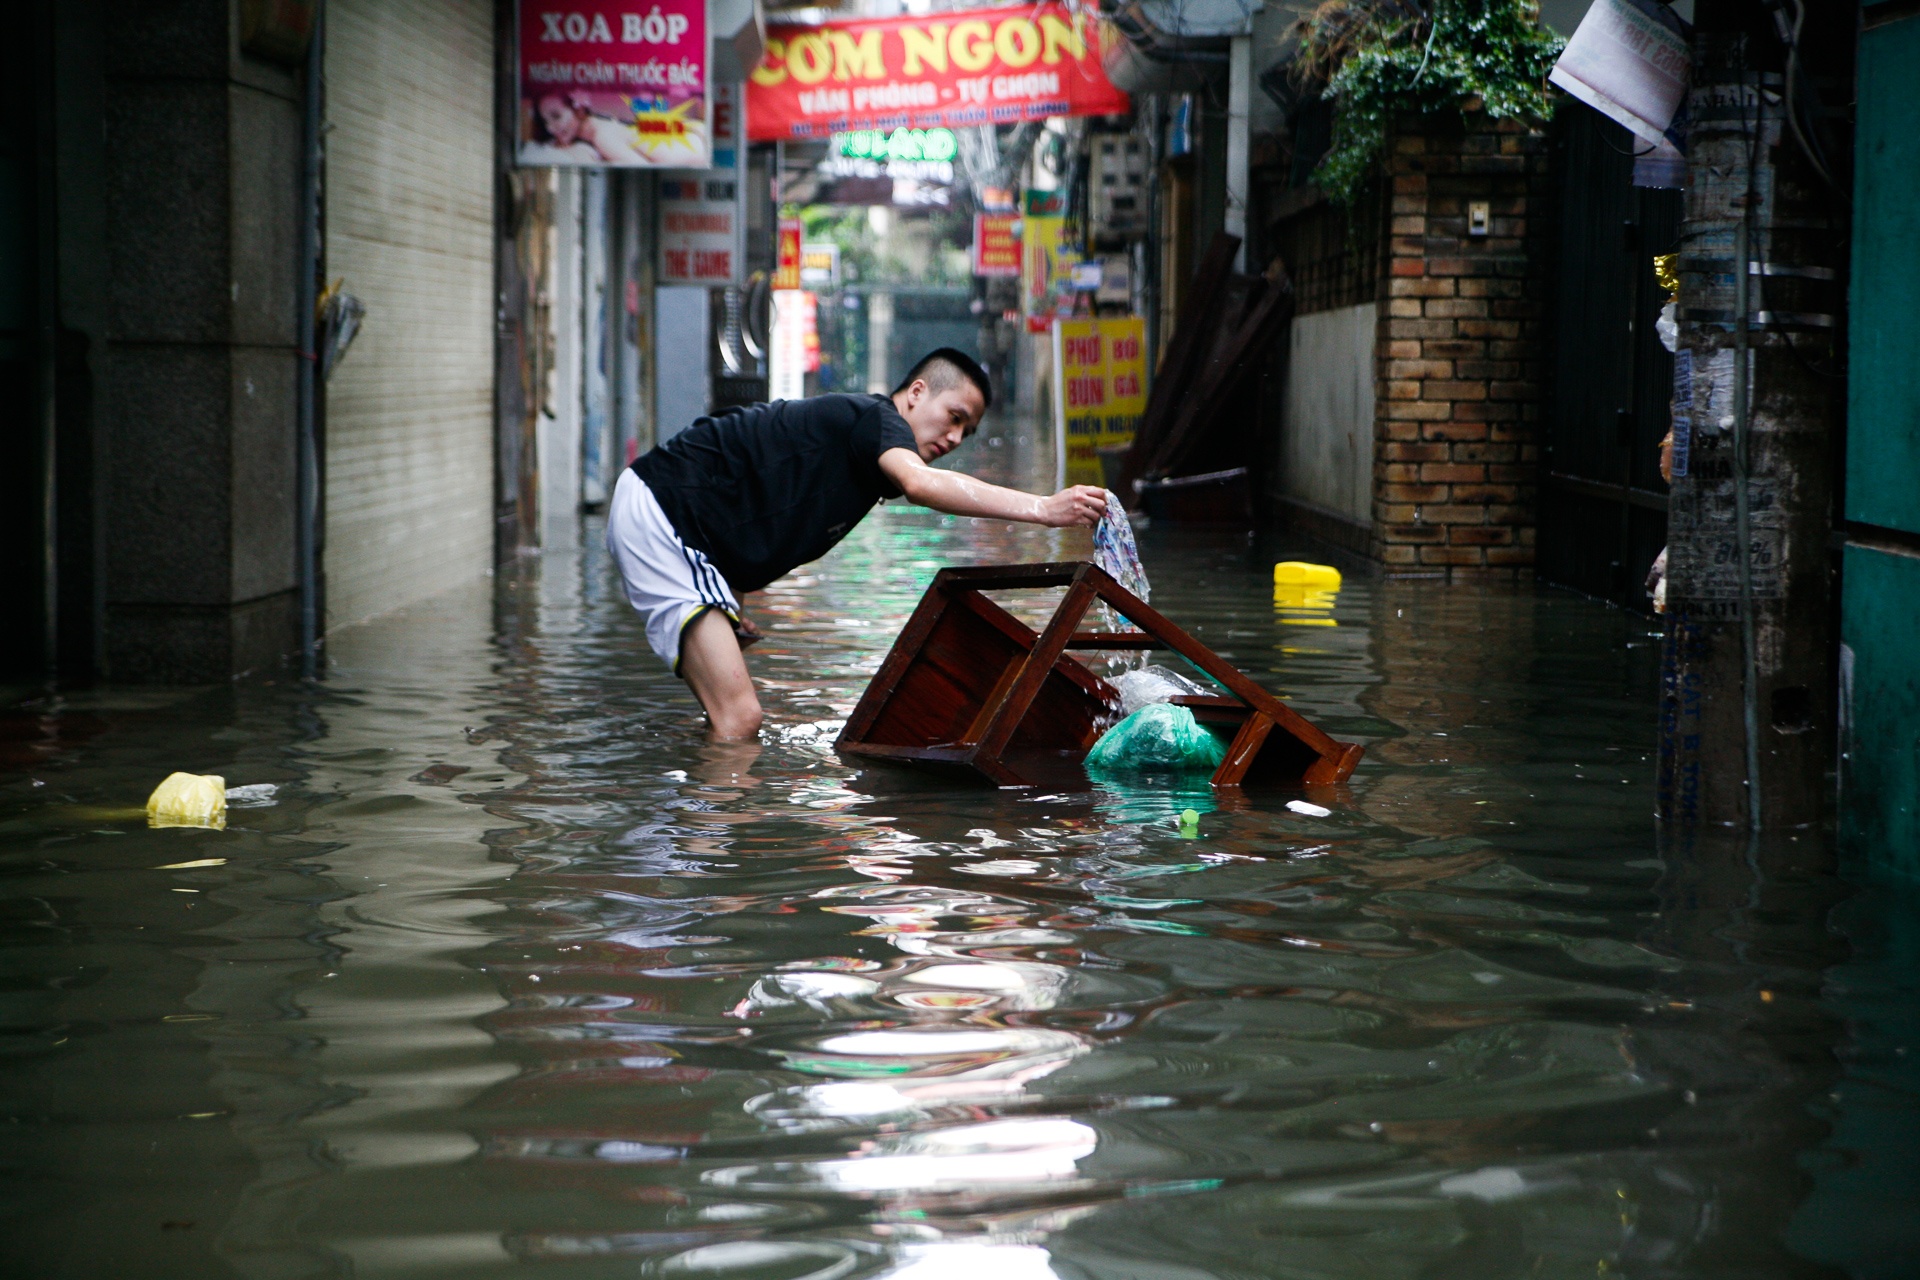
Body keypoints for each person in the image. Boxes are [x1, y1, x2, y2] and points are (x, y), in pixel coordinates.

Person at [607, 348, 1108, 740]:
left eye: (968, 431)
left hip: (677, 524)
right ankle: (700, 856)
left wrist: (726, 597)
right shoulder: (879, 421)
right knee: (741, 719)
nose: (955, 438)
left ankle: (703, 826)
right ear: (915, 392)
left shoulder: (863, 455)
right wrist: (1042, 509)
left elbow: (757, 491)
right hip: (664, 512)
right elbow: (923, 486)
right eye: (953, 416)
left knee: (724, 718)